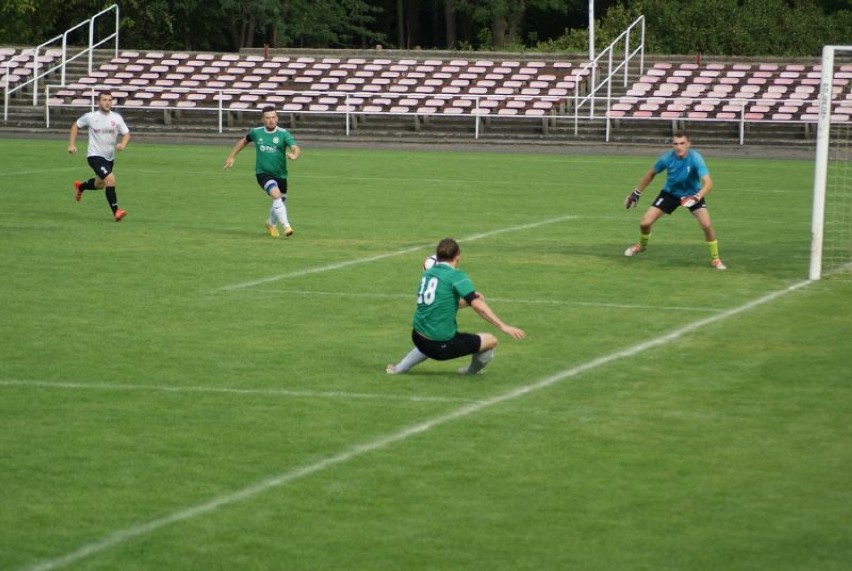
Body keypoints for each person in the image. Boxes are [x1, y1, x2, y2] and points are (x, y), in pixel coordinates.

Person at [386, 238, 526, 375]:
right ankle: (470, 373)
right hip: (440, 345)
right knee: (490, 341)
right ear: (458, 255)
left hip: (417, 336)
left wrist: (467, 302)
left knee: (431, 334)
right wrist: (503, 326)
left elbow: (439, 304)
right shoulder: (456, 276)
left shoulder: (428, 274)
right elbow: (479, 306)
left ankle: (400, 368)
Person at [623, 131, 727, 270]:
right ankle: (641, 246)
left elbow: (708, 183)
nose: (679, 147)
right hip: (670, 194)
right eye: (676, 144)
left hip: (692, 195)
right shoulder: (667, 158)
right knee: (645, 223)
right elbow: (651, 173)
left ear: (688, 144)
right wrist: (636, 193)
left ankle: (715, 259)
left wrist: (697, 196)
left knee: (706, 225)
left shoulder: (696, 158)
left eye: (682, 143)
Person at [223, 105, 301, 238]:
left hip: (281, 174)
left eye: (273, 117)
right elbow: (244, 141)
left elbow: (296, 148)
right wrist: (232, 156)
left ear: (277, 118)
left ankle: (271, 223)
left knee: (279, 201)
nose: (271, 120)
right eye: (268, 118)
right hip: (263, 173)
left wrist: (294, 155)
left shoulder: (283, 134)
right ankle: (286, 226)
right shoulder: (256, 132)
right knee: (276, 195)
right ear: (262, 119)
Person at [68, 91, 131, 222]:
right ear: (98, 102)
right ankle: (116, 211)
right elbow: (76, 125)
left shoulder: (117, 118)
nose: (107, 102)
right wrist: (71, 144)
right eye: (104, 100)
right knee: (111, 180)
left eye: (110, 100)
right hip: (94, 156)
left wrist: (122, 144)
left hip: (109, 157)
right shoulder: (91, 117)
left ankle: (81, 187)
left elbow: (126, 133)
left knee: (99, 184)